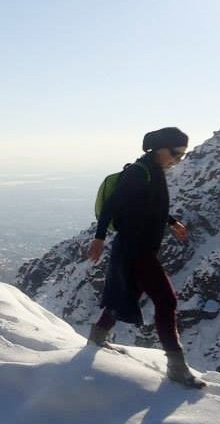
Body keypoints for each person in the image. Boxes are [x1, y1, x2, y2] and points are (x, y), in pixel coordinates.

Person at [87, 127, 205, 389]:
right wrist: (99, 237)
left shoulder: (154, 171)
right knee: (166, 300)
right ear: (160, 147)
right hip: (134, 247)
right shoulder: (139, 173)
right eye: (175, 153)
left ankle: (97, 337)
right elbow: (111, 206)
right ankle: (176, 367)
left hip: (142, 247)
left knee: (128, 293)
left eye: (182, 155)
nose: (177, 159)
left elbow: (151, 207)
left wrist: (172, 222)